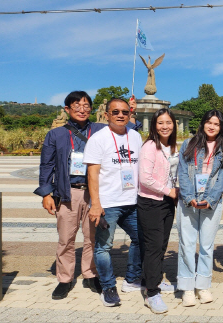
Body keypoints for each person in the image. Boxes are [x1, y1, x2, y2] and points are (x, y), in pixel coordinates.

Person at [34, 91, 105, 299]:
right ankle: (65, 279)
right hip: (68, 193)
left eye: (86, 106)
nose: (82, 110)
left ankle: (91, 275)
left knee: (93, 237)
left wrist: (133, 112)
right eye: (76, 106)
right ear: (67, 109)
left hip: (94, 194)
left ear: (91, 109)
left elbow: (125, 129)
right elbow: (46, 166)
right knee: (66, 238)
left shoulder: (100, 130)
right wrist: (46, 194)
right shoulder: (55, 134)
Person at [85, 98, 143, 307]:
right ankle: (108, 286)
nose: (120, 115)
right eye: (115, 112)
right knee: (103, 247)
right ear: (107, 115)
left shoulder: (136, 136)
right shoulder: (98, 139)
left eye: (125, 112)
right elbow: (92, 174)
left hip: (132, 201)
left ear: (130, 114)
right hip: (107, 203)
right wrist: (96, 204)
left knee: (140, 238)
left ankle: (132, 279)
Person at [176, 110, 223, 307]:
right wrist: (190, 197)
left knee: (207, 246)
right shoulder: (188, 144)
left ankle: (203, 285)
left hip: (211, 202)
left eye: (216, 124)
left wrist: (210, 199)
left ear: (221, 128)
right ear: (202, 124)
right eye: (209, 122)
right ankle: (187, 288)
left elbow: (222, 179)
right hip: (188, 201)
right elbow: (182, 172)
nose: (212, 126)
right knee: (187, 244)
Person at [137, 108, 179, 313]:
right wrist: (169, 191)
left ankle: (153, 280)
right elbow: (145, 179)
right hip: (151, 203)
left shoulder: (170, 146)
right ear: (154, 125)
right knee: (153, 247)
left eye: (168, 122)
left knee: (161, 245)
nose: (165, 126)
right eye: (160, 123)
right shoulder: (150, 146)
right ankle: (152, 293)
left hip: (167, 202)